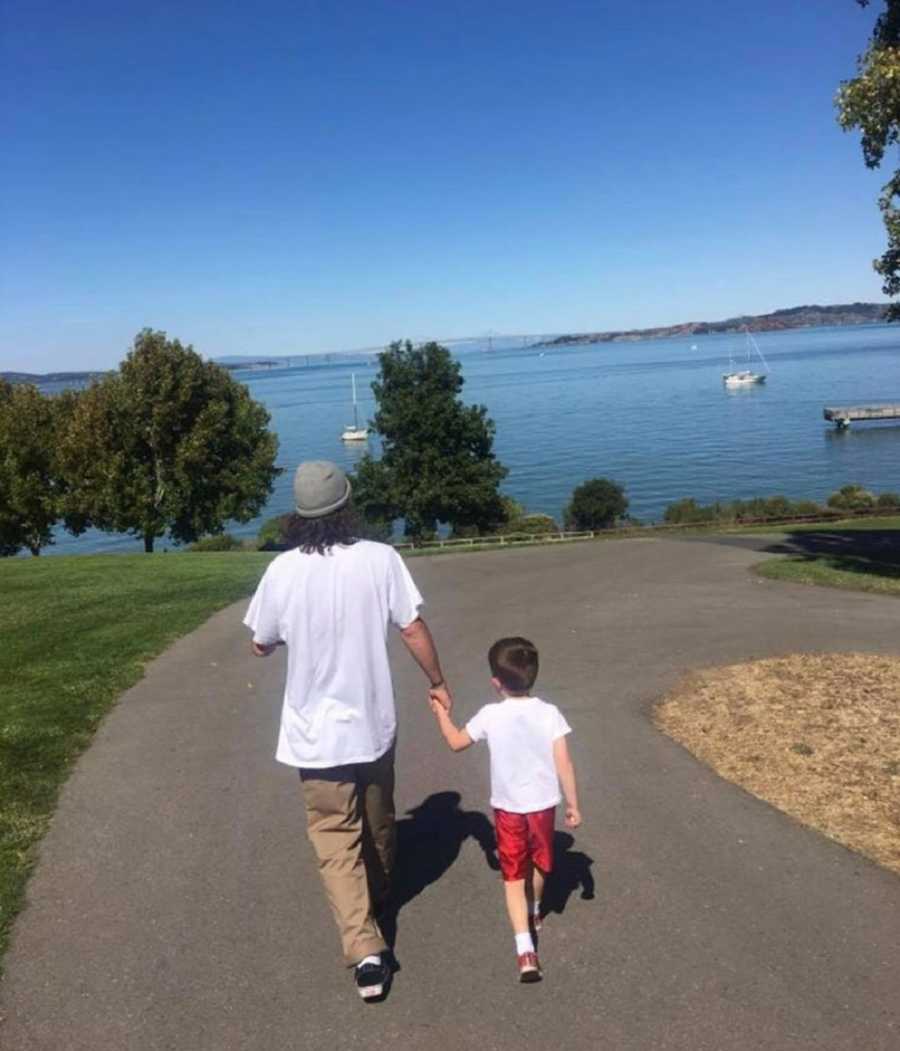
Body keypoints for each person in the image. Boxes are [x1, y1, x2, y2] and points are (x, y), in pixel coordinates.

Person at [244, 460, 451, 1001]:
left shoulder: (282, 571)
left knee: (337, 834)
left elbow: (260, 642)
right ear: (346, 505)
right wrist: (438, 680)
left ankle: (364, 946)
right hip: (372, 721)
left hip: (315, 732)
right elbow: (411, 625)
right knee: (379, 822)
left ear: (297, 515)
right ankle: (374, 914)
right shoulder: (381, 560)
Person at [429, 636, 580, 983]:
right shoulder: (549, 713)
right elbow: (564, 763)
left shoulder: (490, 715)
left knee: (513, 875)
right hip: (543, 806)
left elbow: (455, 743)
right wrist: (573, 804)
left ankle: (525, 948)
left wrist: (441, 713)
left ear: (496, 682)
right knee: (540, 862)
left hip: (509, 809)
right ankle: (535, 909)